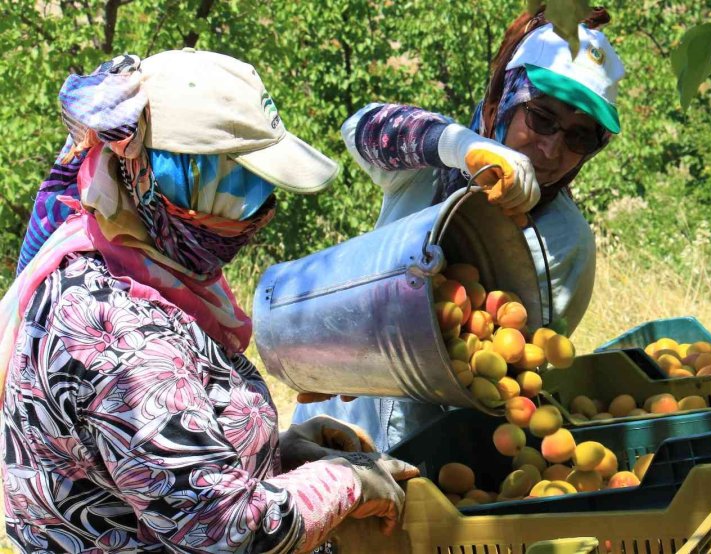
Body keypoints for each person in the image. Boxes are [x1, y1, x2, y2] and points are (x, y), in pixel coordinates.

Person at [0, 49, 417, 553]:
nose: (258, 216)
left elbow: (148, 471)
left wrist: (274, 455)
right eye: (238, 191)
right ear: (157, 174)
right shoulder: (112, 330)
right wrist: (343, 484)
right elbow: (223, 532)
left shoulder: (128, 262)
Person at [293, 8, 626, 451]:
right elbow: (361, 127)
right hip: (334, 426)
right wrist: (461, 146)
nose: (551, 148)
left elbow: (514, 368)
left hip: (431, 456)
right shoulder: (431, 168)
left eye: (579, 138)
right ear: (505, 98)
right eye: (541, 118)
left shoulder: (565, 244)